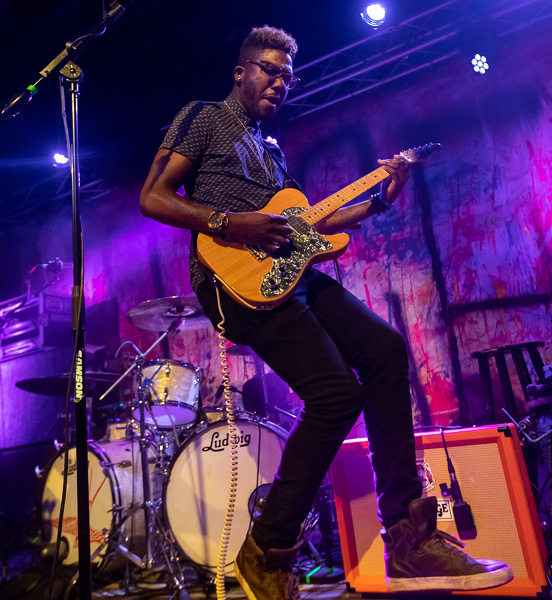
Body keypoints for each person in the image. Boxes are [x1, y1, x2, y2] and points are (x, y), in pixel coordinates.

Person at [139, 25, 513, 599]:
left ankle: (410, 542)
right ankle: (269, 548)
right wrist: (230, 223)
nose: (278, 81)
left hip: (292, 274)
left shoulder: (270, 148)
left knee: (386, 351)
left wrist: (383, 195)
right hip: (230, 279)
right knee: (336, 393)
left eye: (287, 75)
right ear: (240, 72)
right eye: (267, 69)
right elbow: (154, 197)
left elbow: (311, 224)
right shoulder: (205, 118)